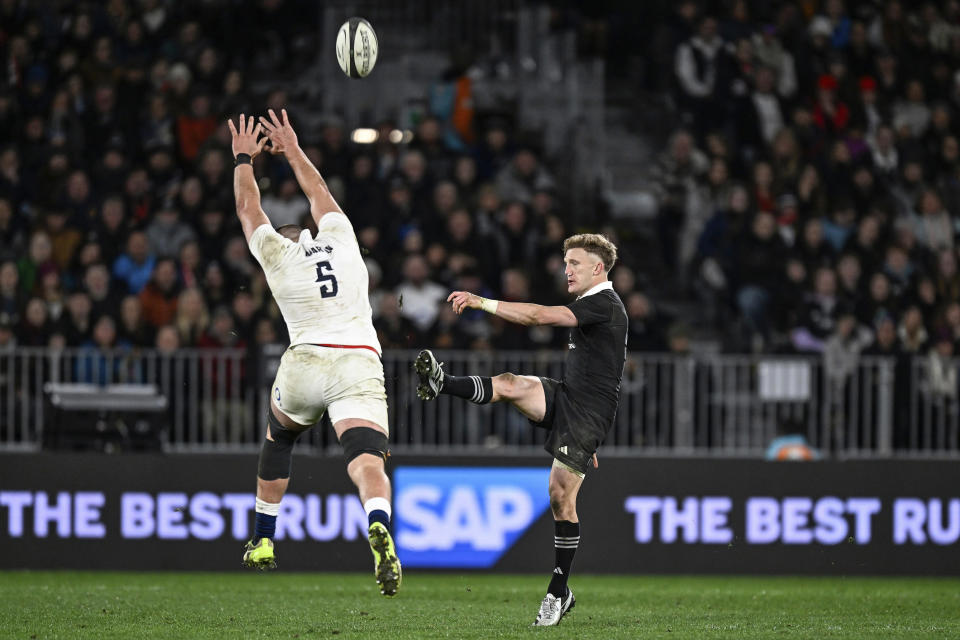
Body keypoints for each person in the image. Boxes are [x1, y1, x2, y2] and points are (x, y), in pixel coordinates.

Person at [228, 110, 400, 597]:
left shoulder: (277, 256)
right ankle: (378, 520)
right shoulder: (343, 242)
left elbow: (247, 206)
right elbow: (319, 193)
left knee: (279, 436)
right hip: (358, 361)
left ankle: (263, 540)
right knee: (368, 459)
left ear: (285, 238)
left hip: (305, 360)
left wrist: (245, 156)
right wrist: (293, 149)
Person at [415, 233, 627, 626]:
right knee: (511, 383)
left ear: (598, 268)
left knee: (560, 497)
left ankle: (558, 591)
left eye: (575, 263)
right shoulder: (592, 303)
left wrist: (482, 302)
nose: (567, 270)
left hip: (586, 416)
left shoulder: (605, 303)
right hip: (569, 399)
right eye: (566, 263)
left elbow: (538, 316)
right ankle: (441, 383)